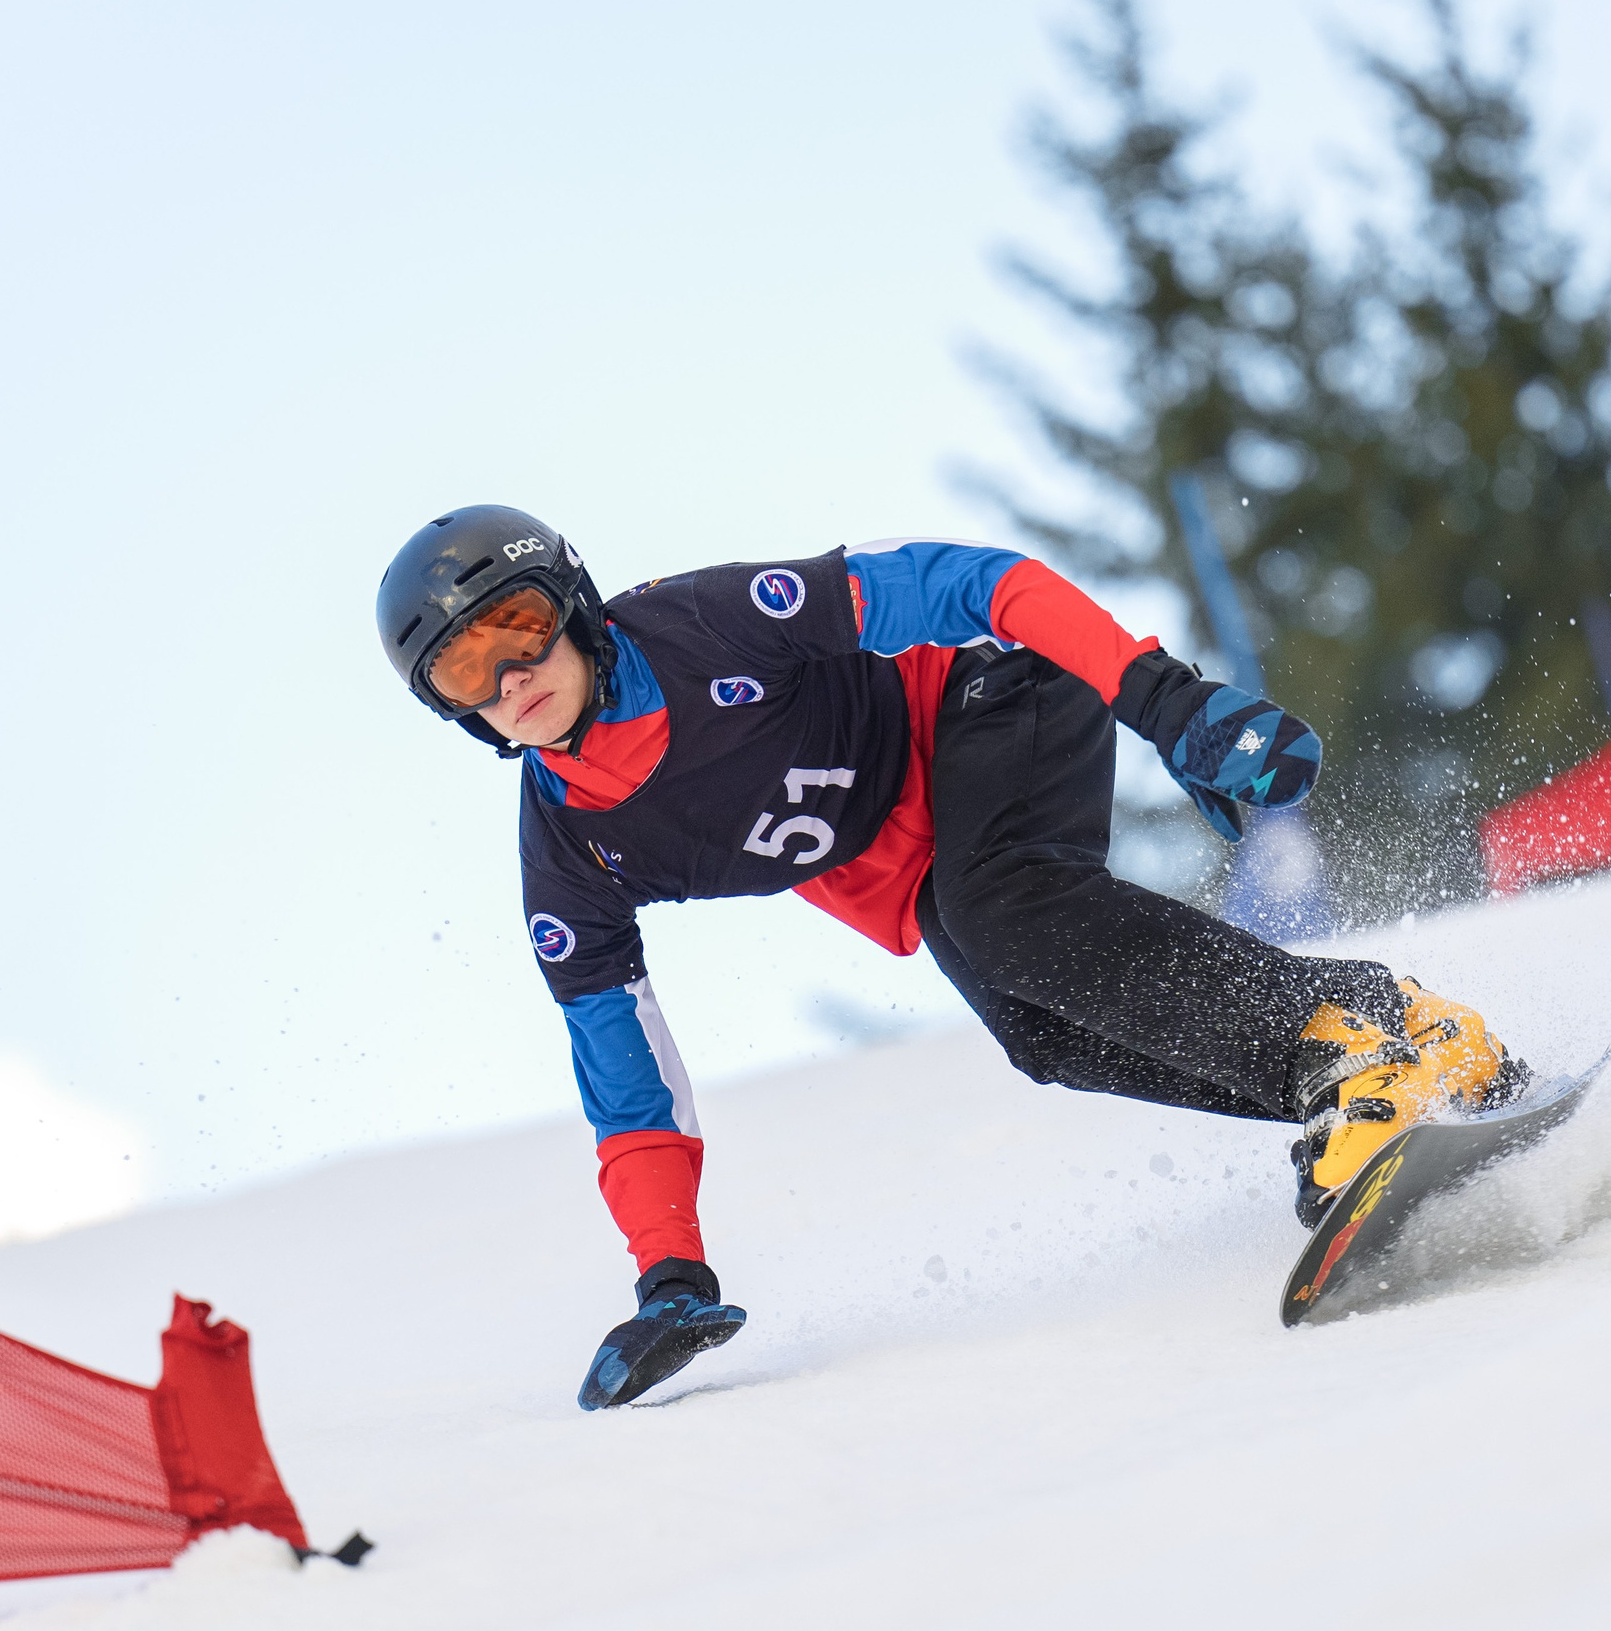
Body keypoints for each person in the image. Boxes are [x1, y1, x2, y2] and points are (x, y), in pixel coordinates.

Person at [376, 506, 1523, 1410]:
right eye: (463, 673)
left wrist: (1164, 700)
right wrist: (668, 1271)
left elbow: (969, 580)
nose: (510, 677)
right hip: (922, 857)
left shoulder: (701, 628)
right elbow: (625, 1077)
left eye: (517, 627)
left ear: (573, 604)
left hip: (987, 692)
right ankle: (1392, 1044)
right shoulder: (571, 854)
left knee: (1008, 912)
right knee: (1042, 1034)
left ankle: (1352, 1051)